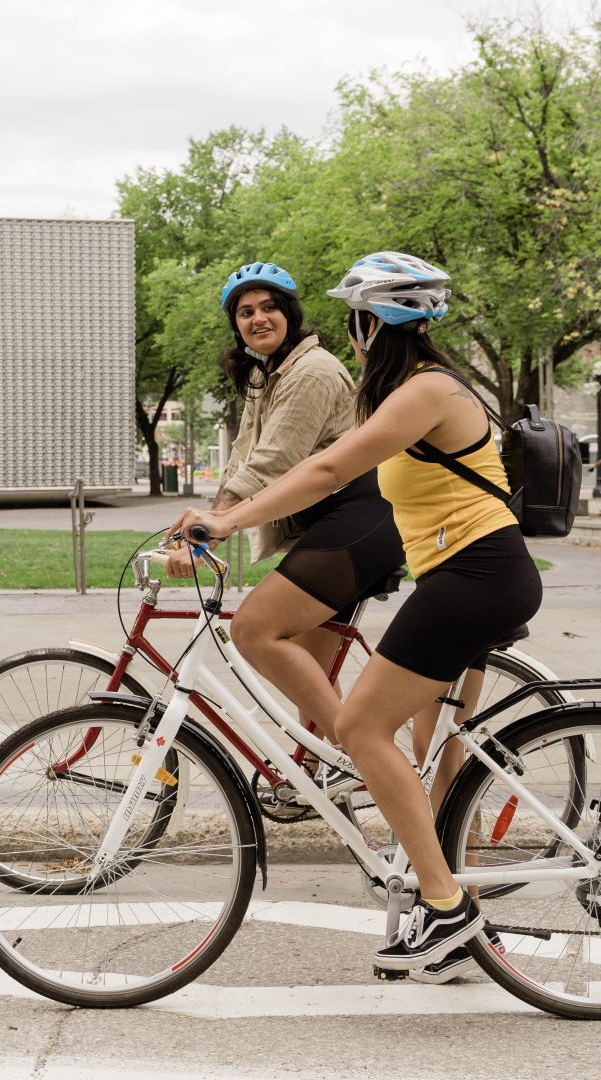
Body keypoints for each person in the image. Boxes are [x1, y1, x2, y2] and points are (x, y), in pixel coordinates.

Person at [173, 252, 542, 977]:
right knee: (415, 738)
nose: (353, 334)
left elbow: (324, 471)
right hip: (467, 577)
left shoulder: (425, 390)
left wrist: (225, 520)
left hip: (477, 576)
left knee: (359, 726)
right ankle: (435, 901)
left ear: (371, 321)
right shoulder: (411, 388)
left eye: (357, 320)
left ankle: (448, 909)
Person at [166, 261, 405, 753]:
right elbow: (242, 459)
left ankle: (368, 759)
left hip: (359, 519)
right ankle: (322, 775)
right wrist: (204, 524)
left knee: (254, 630)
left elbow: (272, 463)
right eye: (246, 311)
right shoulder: (269, 374)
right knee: (309, 672)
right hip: (336, 523)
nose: (259, 319)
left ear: (290, 315)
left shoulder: (311, 372)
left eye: (269, 307)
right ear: (236, 324)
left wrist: (213, 529)